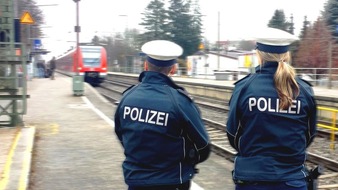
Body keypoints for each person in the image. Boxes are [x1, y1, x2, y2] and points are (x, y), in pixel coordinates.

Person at [226, 27, 317, 190]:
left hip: (252, 179)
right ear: (287, 54)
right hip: (292, 180)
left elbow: (233, 134)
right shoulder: (304, 90)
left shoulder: (244, 88)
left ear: (259, 55)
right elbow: (309, 134)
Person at [114, 40, 211, 190]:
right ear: (172, 69)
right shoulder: (180, 101)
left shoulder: (127, 97)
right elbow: (203, 145)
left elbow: (121, 133)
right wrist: (187, 161)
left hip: (135, 180)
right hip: (172, 181)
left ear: (146, 65)